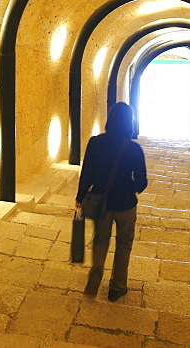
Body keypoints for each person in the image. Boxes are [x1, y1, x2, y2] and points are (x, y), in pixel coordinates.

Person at [75, 102, 148, 301]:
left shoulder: (96, 143)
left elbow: (87, 173)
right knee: (124, 244)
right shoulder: (134, 149)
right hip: (125, 204)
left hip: (101, 203)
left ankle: (95, 277)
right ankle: (117, 286)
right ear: (129, 123)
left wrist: (80, 196)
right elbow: (142, 182)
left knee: (100, 238)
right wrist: (130, 188)